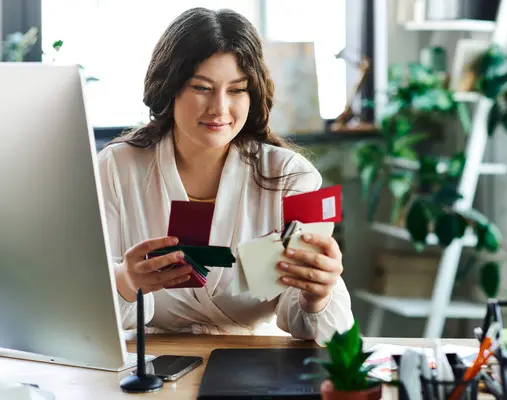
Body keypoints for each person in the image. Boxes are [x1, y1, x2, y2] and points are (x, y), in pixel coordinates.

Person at [97, 7, 354, 345]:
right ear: (169, 88)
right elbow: (87, 311)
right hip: (146, 366)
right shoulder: (117, 167)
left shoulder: (291, 177)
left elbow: (315, 328)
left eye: (237, 90)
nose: (219, 108)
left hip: (252, 365)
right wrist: (125, 281)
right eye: (202, 87)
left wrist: (316, 294)